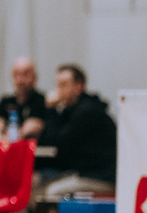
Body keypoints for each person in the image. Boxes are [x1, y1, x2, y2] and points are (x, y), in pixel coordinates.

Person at [32, 64, 117, 199]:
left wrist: (51, 110)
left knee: (52, 192)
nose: (59, 91)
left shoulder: (87, 111)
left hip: (101, 177)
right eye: (57, 85)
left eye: (64, 85)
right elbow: (49, 142)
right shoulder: (71, 111)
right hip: (83, 172)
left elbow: (58, 143)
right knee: (34, 183)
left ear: (79, 86)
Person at [0, 57, 47, 140]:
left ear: (34, 76)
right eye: (16, 74)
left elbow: (31, 129)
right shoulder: (5, 102)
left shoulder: (43, 101)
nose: (20, 80)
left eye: (25, 74)